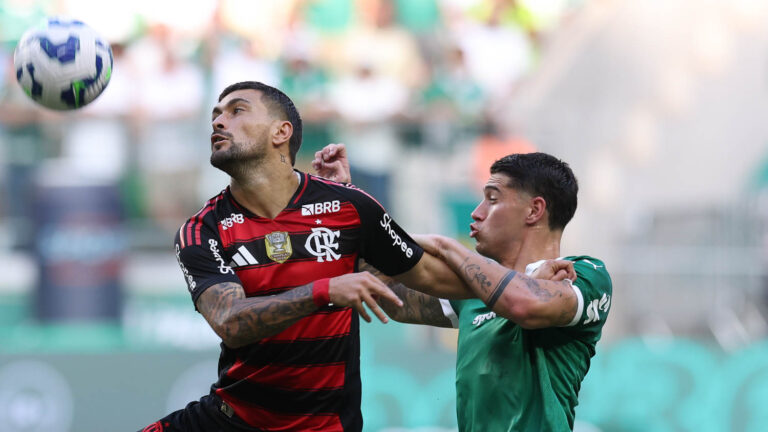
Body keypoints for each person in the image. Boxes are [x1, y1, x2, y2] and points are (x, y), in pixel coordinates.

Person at [138, 81, 500, 432]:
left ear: (281, 132)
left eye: (237, 111)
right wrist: (325, 290)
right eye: (216, 114)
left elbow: (430, 280)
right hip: (232, 419)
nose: (218, 121)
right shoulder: (202, 230)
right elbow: (231, 322)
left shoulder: (350, 207)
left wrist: (522, 281)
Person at [313, 143, 612, 431]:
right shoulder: (472, 289)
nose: (476, 212)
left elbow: (524, 304)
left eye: (492, 199)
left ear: (534, 211)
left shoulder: (585, 275)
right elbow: (386, 294)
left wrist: (446, 247)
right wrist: (343, 205)